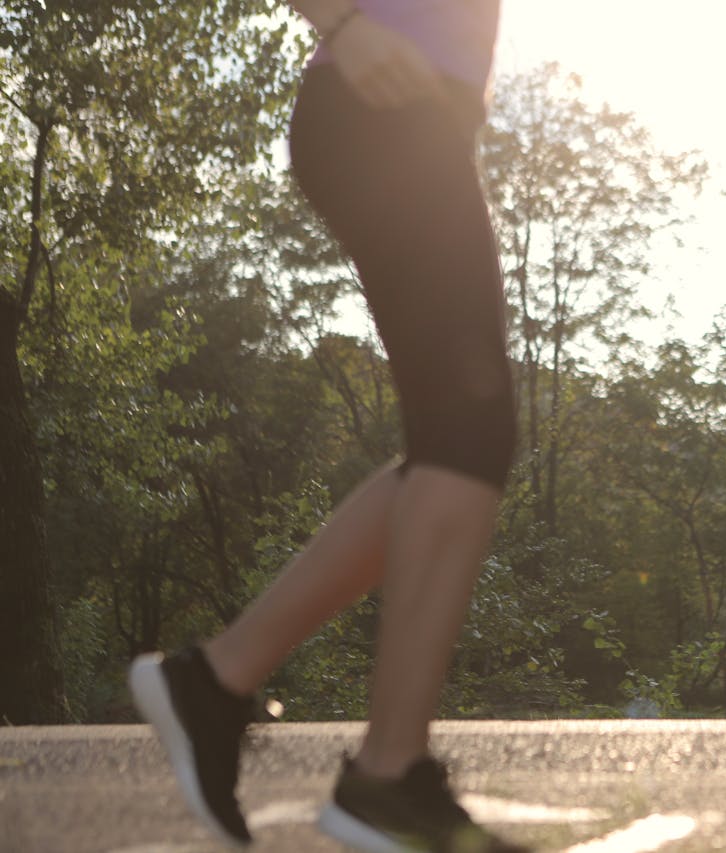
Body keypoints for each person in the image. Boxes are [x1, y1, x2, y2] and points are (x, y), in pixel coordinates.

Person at [128, 2, 527, 850]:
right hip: (378, 105)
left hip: (416, 124)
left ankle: (218, 680)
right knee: (470, 430)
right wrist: (343, 21)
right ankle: (385, 778)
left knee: (453, 441)